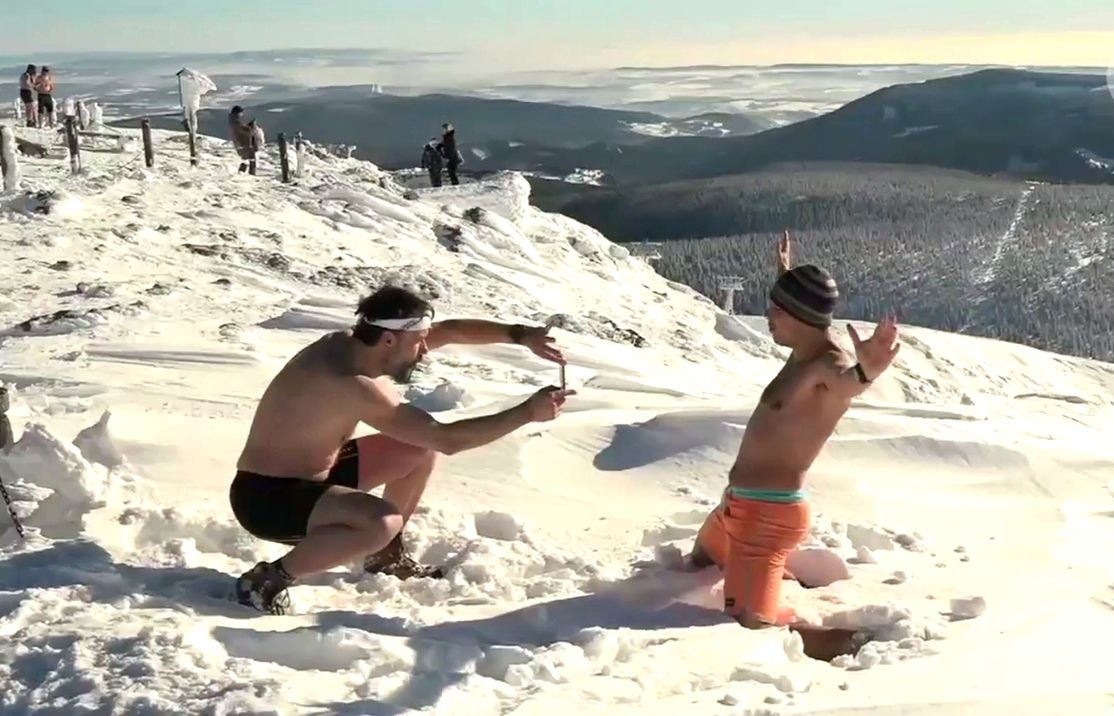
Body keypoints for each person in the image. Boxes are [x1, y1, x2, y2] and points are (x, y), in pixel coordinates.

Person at [230, 286, 573, 614]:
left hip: (312, 474)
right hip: (266, 500)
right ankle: (267, 580)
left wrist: (521, 335)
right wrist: (528, 413)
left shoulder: (355, 345)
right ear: (390, 339)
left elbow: (449, 331)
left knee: (417, 451)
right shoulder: (351, 383)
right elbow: (447, 439)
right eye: (419, 342)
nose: (424, 350)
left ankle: (385, 557)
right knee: (382, 521)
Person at [685, 230, 901, 659]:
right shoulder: (801, 349)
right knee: (698, 565)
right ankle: (770, 579)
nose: (768, 317)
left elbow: (846, 384)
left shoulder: (828, 364)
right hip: (736, 507)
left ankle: (846, 642)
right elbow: (800, 310)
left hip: (767, 519)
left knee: (750, 629)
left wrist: (867, 372)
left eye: (776, 311)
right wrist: (785, 273)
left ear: (799, 317)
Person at [227, 106, 255, 175]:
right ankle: (247, 173)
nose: (242, 114)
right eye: (241, 113)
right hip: (242, 142)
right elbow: (241, 129)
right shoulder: (235, 120)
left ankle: (243, 173)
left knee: (246, 158)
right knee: (248, 158)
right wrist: (249, 127)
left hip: (240, 141)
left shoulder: (233, 120)